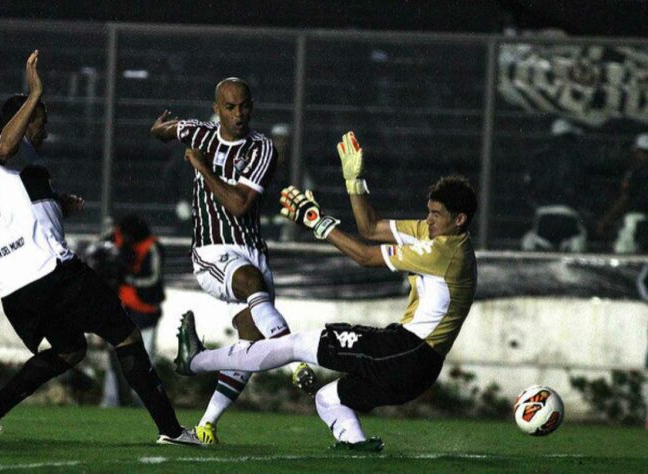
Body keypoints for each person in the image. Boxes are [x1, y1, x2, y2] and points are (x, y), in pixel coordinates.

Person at [174, 131, 479, 451]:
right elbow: (370, 227)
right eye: (429, 211)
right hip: (414, 365)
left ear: (459, 220)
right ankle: (358, 448)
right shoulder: (430, 234)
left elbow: (364, 256)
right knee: (328, 398)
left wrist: (318, 222)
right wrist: (355, 181)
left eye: (436, 215)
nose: (428, 220)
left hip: (406, 352)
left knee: (295, 345)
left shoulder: (446, 253)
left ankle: (196, 360)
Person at [0, 50, 199, 446]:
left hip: (13, 288)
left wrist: (58, 202)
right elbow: (3, 148)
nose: (46, 131)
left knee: (71, 349)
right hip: (50, 273)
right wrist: (35, 92)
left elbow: (1, 171)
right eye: (42, 122)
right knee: (124, 334)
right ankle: (172, 431)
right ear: (24, 121)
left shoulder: (15, 169)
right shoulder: (9, 149)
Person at [149, 77, 316, 445]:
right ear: (216, 110)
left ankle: (204, 425)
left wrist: (201, 168)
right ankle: (297, 360)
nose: (239, 114)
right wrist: (161, 129)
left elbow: (240, 204)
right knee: (251, 283)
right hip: (212, 251)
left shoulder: (262, 149)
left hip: (251, 250)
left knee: (251, 345)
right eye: (230, 107)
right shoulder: (201, 133)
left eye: (245, 106)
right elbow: (168, 130)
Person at [100, 215, 166, 407]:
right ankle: (111, 400)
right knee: (115, 358)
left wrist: (128, 278)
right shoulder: (116, 239)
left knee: (145, 360)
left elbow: (153, 279)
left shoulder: (152, 247)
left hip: (145, 312)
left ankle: (145, 403)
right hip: (121, 309)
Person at [521, 118, 588, 252]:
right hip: (569, 216)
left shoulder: (538, 158)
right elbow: (584, 187)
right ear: (570, 137)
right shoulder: (578, 158)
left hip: (544, 215)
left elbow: (528, 187)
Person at [597, 133, 648, 253]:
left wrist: (605, 220)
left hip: (636, 221)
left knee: (622, 256)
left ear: (639, 151)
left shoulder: (636, 172)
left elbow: (625, 198)